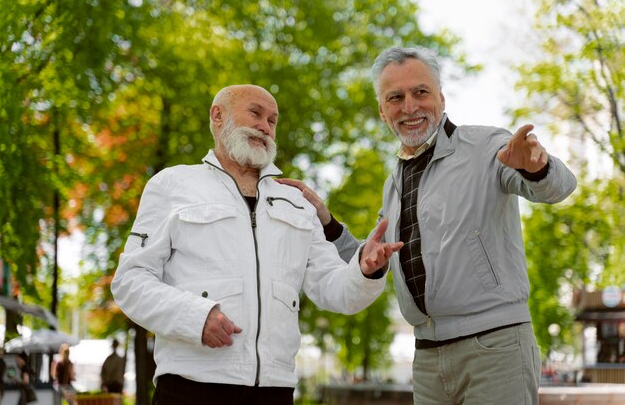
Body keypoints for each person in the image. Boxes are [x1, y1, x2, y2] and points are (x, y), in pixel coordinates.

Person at [278, 46, 577, 405]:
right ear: (382, 111)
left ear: (441, 97)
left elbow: (560, 187)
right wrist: (325, 219)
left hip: (494, 347)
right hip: (428, 358)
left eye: (420, 92)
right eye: (395, 97)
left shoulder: (486, 146)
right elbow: (372, 256)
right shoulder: (396, 182)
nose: (409, 107)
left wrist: (536, 167)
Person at [111, 84, 403, 405]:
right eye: (255, 113)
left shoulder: (297, 203)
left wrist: (364, 269)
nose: (265, 127)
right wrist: (195, 317)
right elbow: (130, 281)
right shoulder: (172, 185)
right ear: (217, 115)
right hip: (190, 385)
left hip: (275, 390)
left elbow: (334, 291)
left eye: (273, 121)